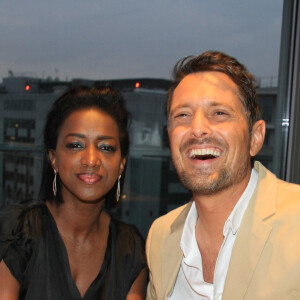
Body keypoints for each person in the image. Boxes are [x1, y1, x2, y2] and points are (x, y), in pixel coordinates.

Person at [146, 50, 300, 300]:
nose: (197, 129)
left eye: (219, 113)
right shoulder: (160, 236)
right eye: (182, 115)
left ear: (255, 138)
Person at [0, 86, 147, 299]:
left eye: (106, 147)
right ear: (53, 158)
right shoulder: (18, 231)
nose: (91, 160)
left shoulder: (130, 248)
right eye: (76, 145)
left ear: (121, 164)